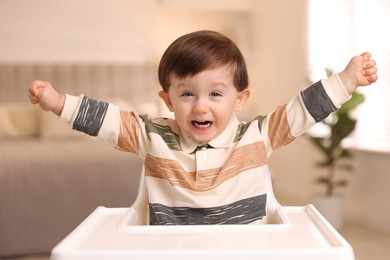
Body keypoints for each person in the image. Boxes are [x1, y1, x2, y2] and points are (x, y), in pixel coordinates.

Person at [28, 30, 378, 225]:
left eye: (215, 93)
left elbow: (302, 111)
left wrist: (346, 80)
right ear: (167, 100)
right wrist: (59, 102)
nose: (200, 105)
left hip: (245, 250)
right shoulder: (153, 136)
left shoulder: (256, 136)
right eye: (187, 93)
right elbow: (106, 120)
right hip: (171, 250)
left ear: (239, 100)